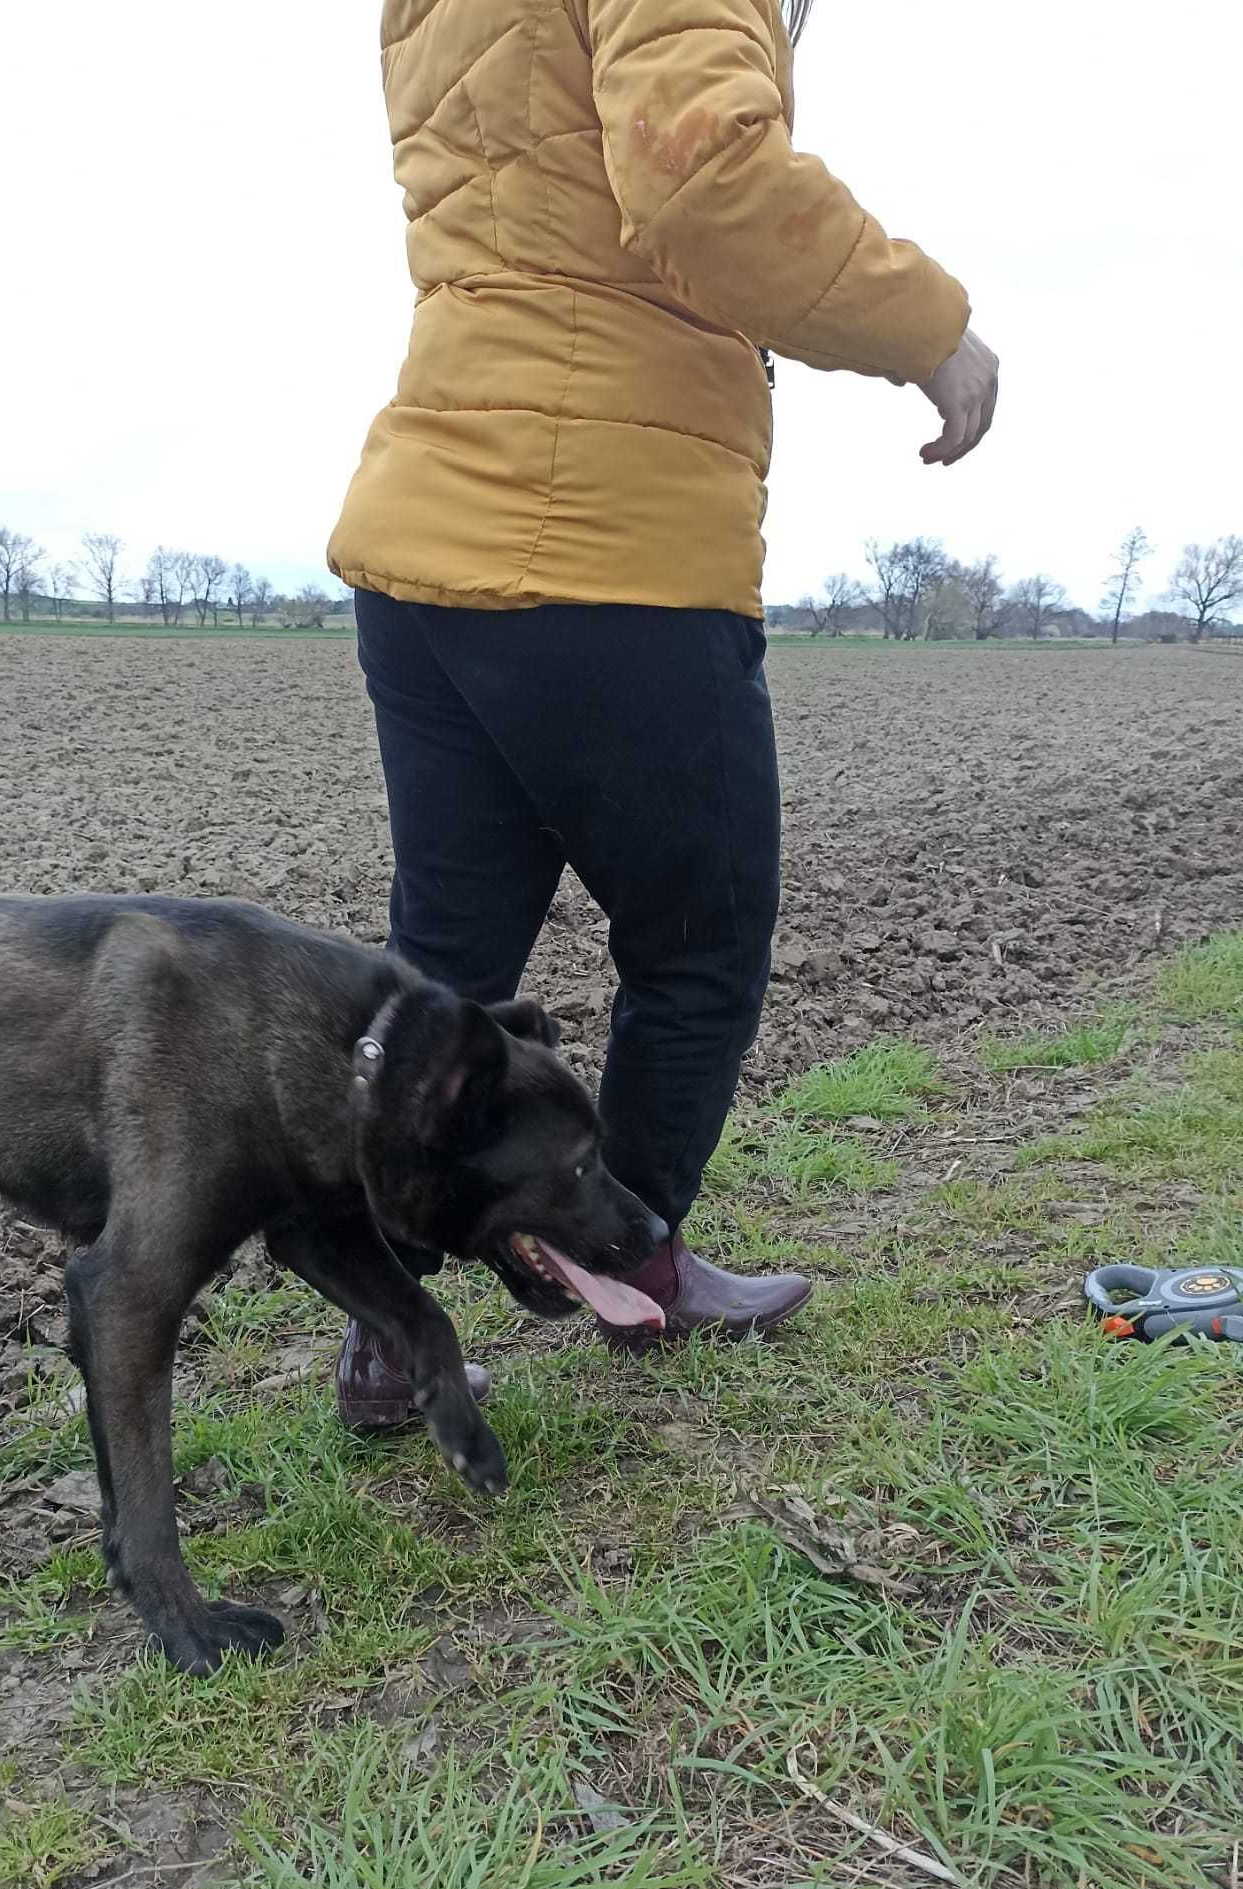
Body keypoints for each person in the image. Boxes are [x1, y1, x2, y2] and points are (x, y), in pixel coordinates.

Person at [326, 0, 999, 1429]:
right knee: (695, 944)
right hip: (605, 546)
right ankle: (640, 1269)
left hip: (429, 530)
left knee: (437, 968)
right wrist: (931, 332)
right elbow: (701, 173)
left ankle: (385, 1336)